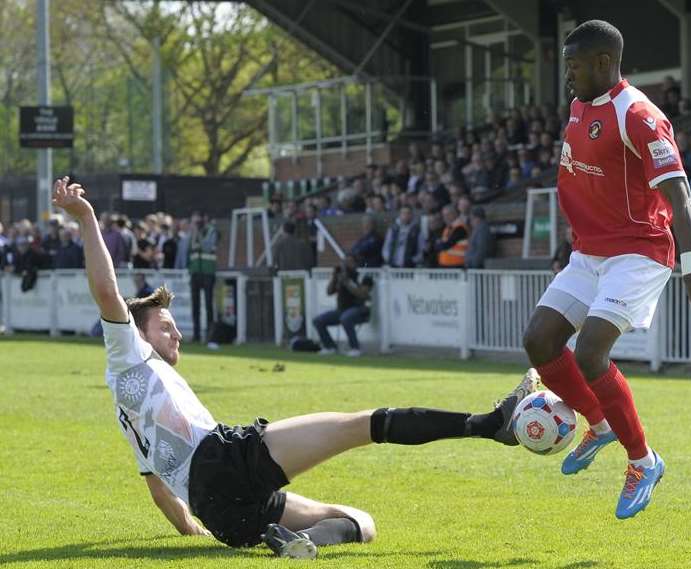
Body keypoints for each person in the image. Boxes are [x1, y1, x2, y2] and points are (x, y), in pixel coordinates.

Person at [51, 174, 538, 558]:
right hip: (224, 462)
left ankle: (299, 543)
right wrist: (87, 218)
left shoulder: (129, 404)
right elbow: (106, 291)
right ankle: (490, 424)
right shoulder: (126, 354)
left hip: (227, 518)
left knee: (359, 522)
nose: (174, 333)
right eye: (164, 325)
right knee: (363, 426)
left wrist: (195, 530)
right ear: (134, 332)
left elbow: (159, 491)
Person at [522, 20, 691, 521]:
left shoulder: (639, 114)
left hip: (638, 251)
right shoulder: (579, 106)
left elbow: (680, 199)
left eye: (574, 65)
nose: (568, 75)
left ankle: (643, 461)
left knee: (592, 351)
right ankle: (597, 425)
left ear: (603, 62)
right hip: (589, 252)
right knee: (539, 340)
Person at [313, 254, 373, 357]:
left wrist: (347, 282)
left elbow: (363, 294)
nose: (347, 265)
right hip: (341, 310)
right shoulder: (341, 276)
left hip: (360, 309)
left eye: (350, 262)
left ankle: (355, 348)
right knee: (318, 320)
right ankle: (330, 347)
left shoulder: (364, 277)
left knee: (346, 318)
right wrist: (334, 277)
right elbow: (329, 292)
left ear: (356, 264)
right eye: (345, 262)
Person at [187, 212, 218, 344]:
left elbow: (207, 246)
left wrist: (198, 233)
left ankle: (210, 335)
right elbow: (190, 250)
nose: (197, 224)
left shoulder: (212, 232)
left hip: (208, 272)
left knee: (208, 305)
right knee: (195, 306)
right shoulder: (193, 234)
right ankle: (196, 334)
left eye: (198, 222)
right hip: (195, 273)